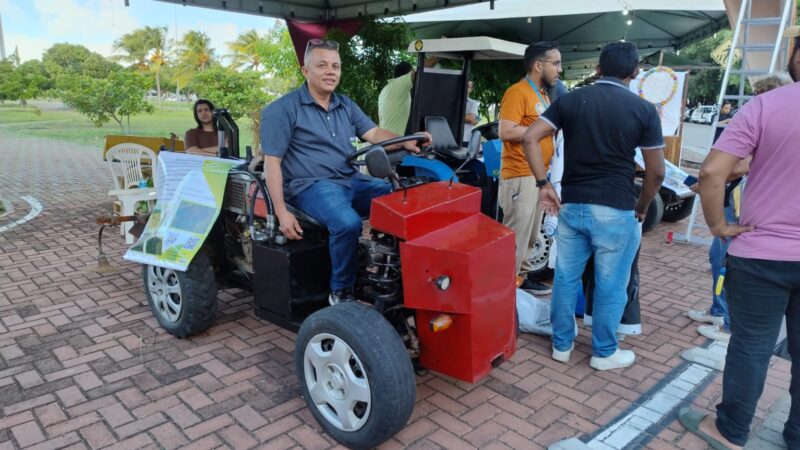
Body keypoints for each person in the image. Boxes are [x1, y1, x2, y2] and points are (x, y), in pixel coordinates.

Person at [678, 25, 800, 450]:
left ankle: (730, 431)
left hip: (762, 250)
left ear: (796, 56)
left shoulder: (768, 105)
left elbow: (712, 172)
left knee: (751, 346)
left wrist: (717, 226)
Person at [521, 42, 665, 371]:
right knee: (611, 283)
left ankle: (561, 345)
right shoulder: (643, 110)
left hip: (572, 205)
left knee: (566, 278)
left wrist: (544, 185)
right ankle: (603, 352)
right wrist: (642, 207)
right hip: (615, 208)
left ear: (598, 68)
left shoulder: (570, 100)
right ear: (635, 72)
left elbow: (530, 137)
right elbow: (656, 173)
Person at [260, 39, 431, 304]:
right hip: (310, 185)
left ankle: (400, 273)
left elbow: (373, 133)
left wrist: (407, 139)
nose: (331, 71)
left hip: (349, 179)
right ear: (305, 71)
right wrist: (281, 212)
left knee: (403, 197)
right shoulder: (282, 110)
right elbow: (272, 163)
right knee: (347, 223)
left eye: (336, 66)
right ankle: (341, 292)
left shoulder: (344, 104)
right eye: (322, 65)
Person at [688, 73, 790, 343]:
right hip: (759, 217)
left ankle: (726, 320)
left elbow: (731, 167)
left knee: (725, 261)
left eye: (759, 92)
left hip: (744, 213)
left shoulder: (764, 114)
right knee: (717, 258)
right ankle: (718, 310)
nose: (754, 97)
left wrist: (714, 206)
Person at [497, 41, 562, 296]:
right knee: (516, 235)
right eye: (555, 63)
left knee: (531, 233)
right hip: (519, 175)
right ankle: (505, 288)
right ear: (538, 65)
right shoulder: (518, 91)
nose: (559, 69)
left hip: (537, 176)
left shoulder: (543, 95)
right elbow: (506, 130)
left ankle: (520, 279)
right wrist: (541, 130)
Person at [378, 61, 414, 135]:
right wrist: (437, 55)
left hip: (386, 140)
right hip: (395, 142)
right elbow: (419, 72)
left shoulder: (387, 89)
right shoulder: (398, 85)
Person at [462, 80, 480, 146]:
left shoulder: (474, 103)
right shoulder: (452, 101)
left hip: (466, 139)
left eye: (468, 86)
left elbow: (474, 120)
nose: (465, 87)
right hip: (453, 138)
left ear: (471, 89)